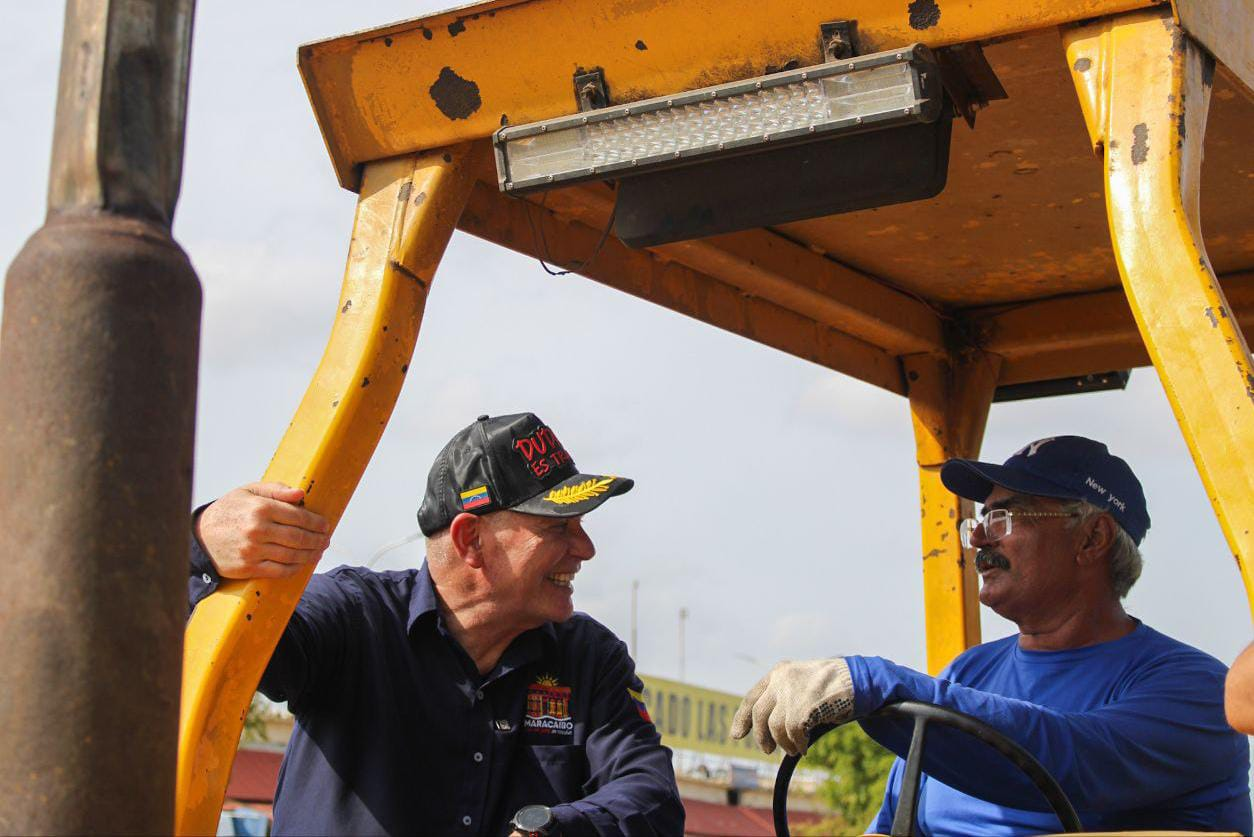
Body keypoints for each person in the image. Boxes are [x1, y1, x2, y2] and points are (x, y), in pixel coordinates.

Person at [190, 412, 683, 836]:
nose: (585, 549)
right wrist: (199, 550)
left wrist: (559, 829)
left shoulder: (589, 658)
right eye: (558, 527)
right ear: (471, 540)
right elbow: (207, 658)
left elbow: (650, 795)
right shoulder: (352, 615)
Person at [730, 435, 1251, 834]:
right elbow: (894, 822)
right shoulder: (968, 673)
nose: (977, 536)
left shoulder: (1197, 690)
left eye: (1006, 516)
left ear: (1092, 537)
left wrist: (874, 682)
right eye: (979, 519)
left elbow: (1067, 766)